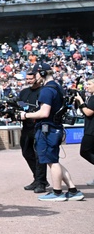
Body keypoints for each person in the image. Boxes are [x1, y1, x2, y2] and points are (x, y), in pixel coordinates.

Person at [18, 64, 84, 202]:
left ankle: (57, 192)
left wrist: (25, 116)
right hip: (55, 128)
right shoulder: (57, 87)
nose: (34, 77)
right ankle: (73, 190)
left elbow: (44, 112)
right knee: (54, 161)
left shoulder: (46, 90)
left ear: (41, 73)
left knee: (52, 162)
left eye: (35, 74)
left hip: (48, 129)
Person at [18, 70, 48, 193]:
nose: (29, 81)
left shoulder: (43, 91)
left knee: (39, 155)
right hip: (26, 127)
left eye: (31, 78)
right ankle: (38, 178)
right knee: (26, 153)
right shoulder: (23, 92)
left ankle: (41, 182)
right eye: (27, 79)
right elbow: (19, 106)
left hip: (40, 126)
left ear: (37, 78)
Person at [76, 77, 94, 169]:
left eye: (89, 84)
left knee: (84, 151)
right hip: (90, 129)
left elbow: (88, 112)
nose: (87, 86)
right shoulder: (91, 97)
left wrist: (81, 101)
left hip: (91, 131)